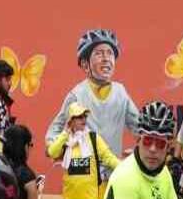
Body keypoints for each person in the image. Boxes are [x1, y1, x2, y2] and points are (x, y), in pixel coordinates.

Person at [46, 29, 139, 164]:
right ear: (85, 64)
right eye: (99, 54)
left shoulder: (120, 92)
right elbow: (55, 130)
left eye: (110, 53)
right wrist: (58, 148)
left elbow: (139, 126)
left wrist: (141, 148)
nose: (106, 59)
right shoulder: (77, 95)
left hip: (113, 170)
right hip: (85, 174)